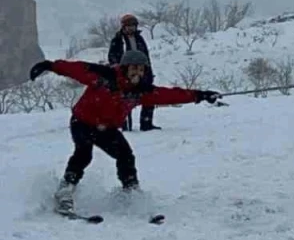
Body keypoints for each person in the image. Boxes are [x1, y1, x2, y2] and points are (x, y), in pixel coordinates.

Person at [27, 51, 220, 215]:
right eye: (134, 68)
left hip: (107, 129)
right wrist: (50, 65)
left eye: (141, 69)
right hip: (83, 122)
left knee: (126, 156)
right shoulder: (104, 76)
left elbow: (169, 94)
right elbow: (76, 69)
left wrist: (200, 95)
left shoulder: (140, 91)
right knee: (84, 153)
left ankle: (131, 192)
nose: (138, 72)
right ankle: (65, 191)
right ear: (125, 68)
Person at [108, 13, 157, 131]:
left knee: (149, 96)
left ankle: (146, 124)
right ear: (124, 27)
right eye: (128, 26)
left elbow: (146, 56)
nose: (131, 28)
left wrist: (148, 72)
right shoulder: (117, 40)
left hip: (141, 72)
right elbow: (112, 57)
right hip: (125, 73)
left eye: (133, 25)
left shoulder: (140, 39)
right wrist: (117, 70)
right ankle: (124, 125)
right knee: (123, 99)